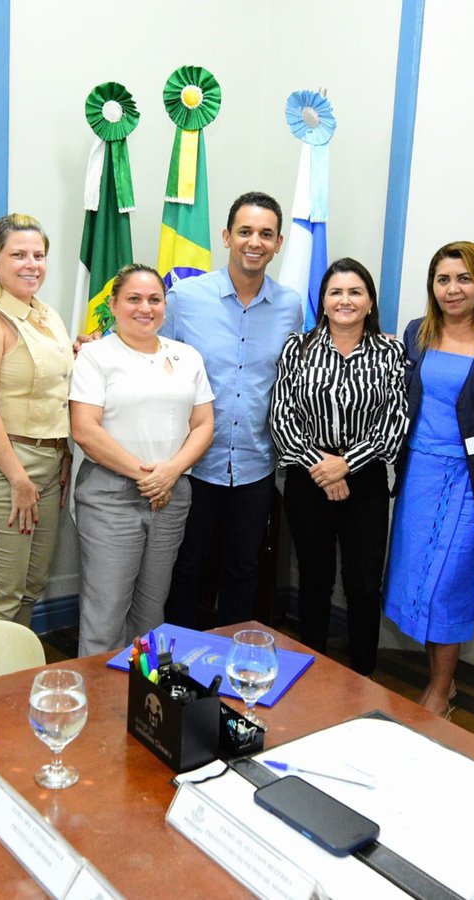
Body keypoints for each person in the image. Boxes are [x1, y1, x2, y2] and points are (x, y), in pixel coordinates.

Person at [383, 241, 474, 713]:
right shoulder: (417, 333)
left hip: (473, 484)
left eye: (463, 278)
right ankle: (441, 682)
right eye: (443, 279)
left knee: (449, 586)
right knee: (419, 582)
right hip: (420, 477)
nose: (453, 289)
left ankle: (440, 692)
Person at [160, 192, 304, 628]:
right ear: (226, 237)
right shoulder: (185, 298)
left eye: (265, 234)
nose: (254, 242)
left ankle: (233, 669)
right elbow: (152, 358)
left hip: (255, 465)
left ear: (278, 243)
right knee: (186, 568)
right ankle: (178, 671)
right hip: (192, 463)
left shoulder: (291, 305)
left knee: (243, 571)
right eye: (244, 232)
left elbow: (294, 377)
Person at [269, 258, 406, 676]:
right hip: (307, 477)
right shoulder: (297, 347)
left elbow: (396, 420)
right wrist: (322, 468)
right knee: (314, 578)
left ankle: (362, 674)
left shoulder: (392, 350)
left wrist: (345, 465)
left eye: (355, 292)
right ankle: (315, 675)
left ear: (369, 302)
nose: (345, 300)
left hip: (363, 479)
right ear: (323, 302)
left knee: (364, 585)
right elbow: (280, 417)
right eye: (336, 292)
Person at [70, 264, 215, 655]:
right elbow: (85, 430)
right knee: (106, 612)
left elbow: (203, 424)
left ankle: (139, 707)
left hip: (170, 497)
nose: (145, 308)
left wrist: (170, 473)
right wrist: (148, 476)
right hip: (110, 495)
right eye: (133, 299)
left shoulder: (188, 356)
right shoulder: (95, 357)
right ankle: (99, 708)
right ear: (114, 305)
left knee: (152, 612)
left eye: (155, 299)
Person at [0, 214, 71, 627]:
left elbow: (54, 388)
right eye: (18, 255)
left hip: (48, 462)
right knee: (2, 595)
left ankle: (17, 680)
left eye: (39, 255)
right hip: (5, 467)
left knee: (32, 586)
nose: (31, 264)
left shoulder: (46, 315)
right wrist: (19, 479)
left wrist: (64, 454)